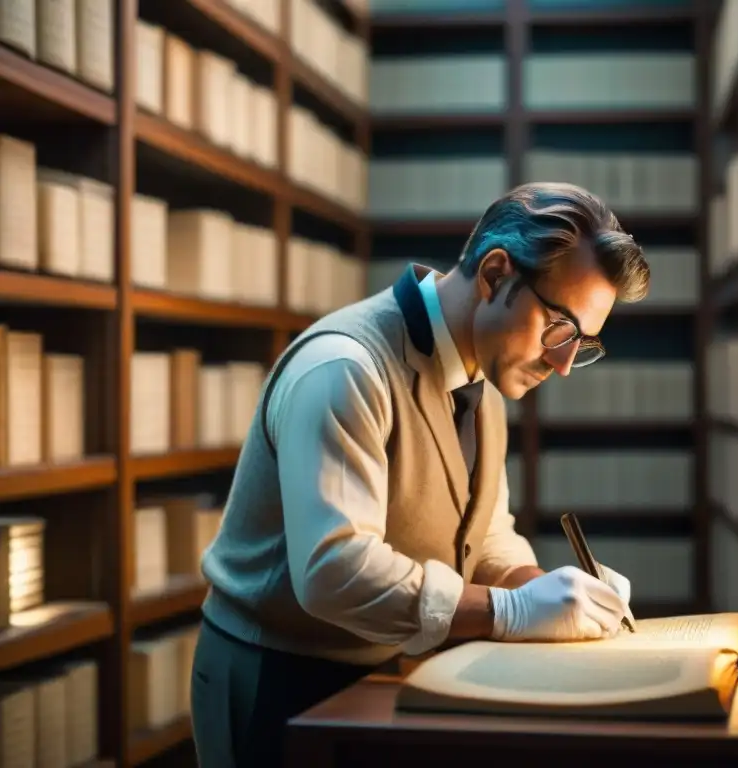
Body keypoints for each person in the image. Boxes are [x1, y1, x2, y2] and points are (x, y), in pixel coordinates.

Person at [189, 181, 651, 766]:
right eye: (560, 329)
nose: (563, 365)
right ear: (494, 274)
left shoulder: (484, 379)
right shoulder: (345, 368)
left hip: (379, 667)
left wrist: (548, 592)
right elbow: (334, 571)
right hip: (275, 677)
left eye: (583, 344)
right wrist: (511, 613)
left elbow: (483, 534)